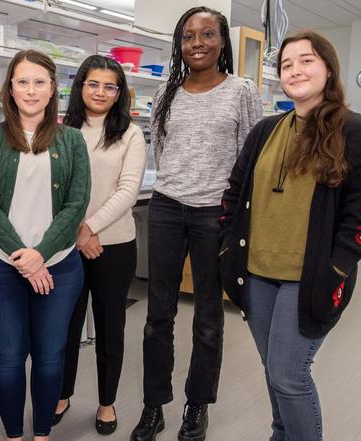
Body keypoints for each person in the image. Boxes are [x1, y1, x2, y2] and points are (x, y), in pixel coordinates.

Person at [220, 31, 361, 441]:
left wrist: (338, 262)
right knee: (273, 370)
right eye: (286, 64)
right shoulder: (265, 130)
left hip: (312, 276)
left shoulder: (353, 129)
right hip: (258, 271)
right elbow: (235, 190)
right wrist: (227, 244)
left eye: (306, 60)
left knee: (288, 374)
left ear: (328, 68)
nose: (295, 70)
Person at [131, 7, 262, 441]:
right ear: (179, 44)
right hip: (167, 209)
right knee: (157, 316)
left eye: (208, 33)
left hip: (214, 214)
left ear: (223, 41)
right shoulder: (168, 93)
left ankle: (197, 404)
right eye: (189, 36)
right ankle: (154, 406)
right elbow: (161, 151)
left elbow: (252, 158)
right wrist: (180, 183)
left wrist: (234, 212)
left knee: (208, 316)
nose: (198, 42)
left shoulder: (242, 90)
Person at [0, 49, 90, 441]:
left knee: (51, 356)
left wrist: (41, 255)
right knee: (6, 358)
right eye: (22, 81)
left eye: (40, 81)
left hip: (60, 267)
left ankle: (41, 434)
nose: (31, 90)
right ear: (10, 87)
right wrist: (25, 258)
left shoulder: (72, 140)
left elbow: (77, 202)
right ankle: (13, 436)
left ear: (53, 88)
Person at [53, 54, 147, 435]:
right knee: (64, 326)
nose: (101, 91)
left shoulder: (130, 133)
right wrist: (77, 233)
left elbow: (128, 191)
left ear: (119, 92)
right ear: (80, 87)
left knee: (110, 326)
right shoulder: (60, 129)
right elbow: (52, 187)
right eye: (93, 83)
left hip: (114, 246)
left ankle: (106, 402)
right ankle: (62, 393)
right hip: (66, 246)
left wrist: (88, 229)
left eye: (110, 86)